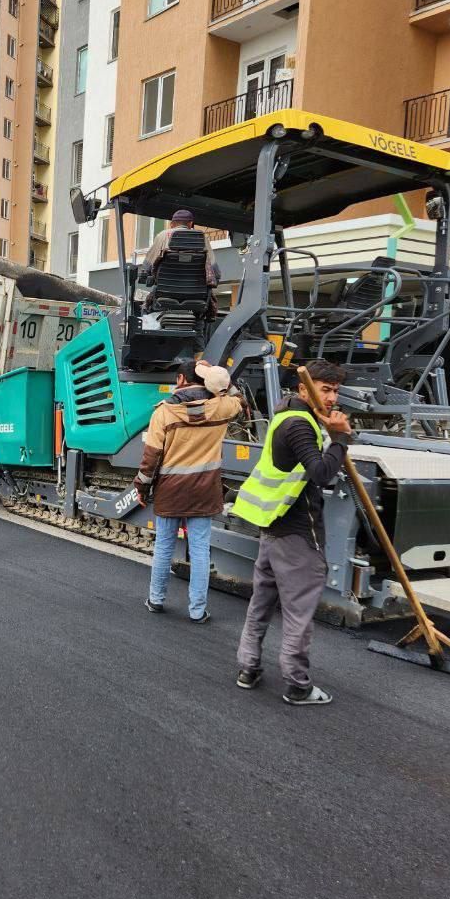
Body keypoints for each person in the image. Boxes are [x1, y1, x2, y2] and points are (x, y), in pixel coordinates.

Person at [232, 359, 352, 706]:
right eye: (324, 389)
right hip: (297, 532)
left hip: (273, 526)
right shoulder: (300, 425)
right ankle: (298, 684)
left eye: (335, 391)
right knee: (299, 611)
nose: (331, 397)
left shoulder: (285, 415)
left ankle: (248, 667)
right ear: (305, 388)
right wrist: (341, 439)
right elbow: (321, 474)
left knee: (262, 603)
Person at [135, 360, 243, 622]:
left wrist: (141, 487)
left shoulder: (164, 413)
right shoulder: (222, 407)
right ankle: (197, 610)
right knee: (199, 550)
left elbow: (151, 458)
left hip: (171, 490)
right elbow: (236, 396)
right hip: (204, 490)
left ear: (181, 380)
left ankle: (156, 600)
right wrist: (214, 375)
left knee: (163, 547)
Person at [143, 209, 221, 288]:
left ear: (171, 224)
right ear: (190, 224)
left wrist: (146, 275)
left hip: (165, 289)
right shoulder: (201, 237)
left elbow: (148, 265)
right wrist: (216, 278)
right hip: (195, 290)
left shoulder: (162, 235)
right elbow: (213, 267)